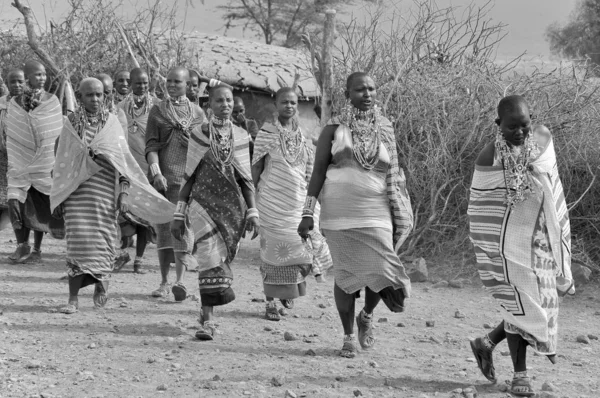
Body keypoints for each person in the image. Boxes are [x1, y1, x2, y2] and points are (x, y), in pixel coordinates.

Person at [297, 72, 413, 358]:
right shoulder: (333, 130)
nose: (368, 94)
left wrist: (401, 208)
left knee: (381, 272)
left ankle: (367, 316)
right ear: (347, 94)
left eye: (372, 89)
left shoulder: (385, 129)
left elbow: (394, 174)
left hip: (377, 213)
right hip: (339, 215)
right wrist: (308, 212)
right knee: (346, 275)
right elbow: (318, 172)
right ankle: (349, 335)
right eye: (360, 89)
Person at [467, 95, 574, 397]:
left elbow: (551, 187)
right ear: (498, 124)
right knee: (521, 305)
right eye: (512, 127)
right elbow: (480, 208)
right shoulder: (488, 158)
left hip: (538, 241)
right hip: (507, 247)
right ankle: (520, 375)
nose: (519, 133)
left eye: (524, 126)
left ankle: (485, 343)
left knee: (534, 304)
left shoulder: (540, 146)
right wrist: (491, 246)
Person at [50, 77, 174, 314]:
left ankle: (100, 287)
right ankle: (73, 299)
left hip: (104, 192)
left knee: (104, 241)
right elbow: (62, 161)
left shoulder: (113, 123)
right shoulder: (71, 123)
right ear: (80, 96)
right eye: (89, 95)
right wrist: (59, 196)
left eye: (99, 95)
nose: (95, 99)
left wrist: (124, 193)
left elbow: (123, 163)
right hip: (76, 194)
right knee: (76, 244)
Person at [171, 83, 259, 340]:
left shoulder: (242, 136)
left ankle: (204, 310)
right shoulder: (199, 134)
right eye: (220, 101)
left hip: (232, 211)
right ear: (209, 105)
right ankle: (208, 319)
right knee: (208, 259)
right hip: (201, 206)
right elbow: (189, 176)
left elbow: (245, 179)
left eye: (229, 100)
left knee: (220, 261)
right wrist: (179, 213)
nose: (226, 105)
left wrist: (253, 211)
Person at [252, 87, 332, 321]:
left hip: (298, 204)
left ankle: (289, 288)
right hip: (270, 203)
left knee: (303, 250)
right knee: (271, 255)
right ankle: (270, 303)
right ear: (275, 105)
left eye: (293, 103)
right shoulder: (266, 133)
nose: (289, 106)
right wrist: (251, 204)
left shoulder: (303, 136)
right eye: (284, 102)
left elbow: (310, 171)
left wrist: (312, 202)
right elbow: (256, 167)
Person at [145, 67, 205, 301]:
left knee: (184, 229)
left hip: (189, 182)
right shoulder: (158, 111)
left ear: (188, 84)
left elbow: (204, 148)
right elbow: (151, 146)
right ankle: (163, 282)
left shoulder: (198, 114)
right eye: (168, 81)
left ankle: (180, 281)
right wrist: (156, 173)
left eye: (176, 81)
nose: (171, 85)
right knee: (163, 230)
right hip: (164, 180)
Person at [4, 61, 65, 264]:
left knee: (40, 203)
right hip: (19, 161)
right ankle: (22, 245)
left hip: (46, 163)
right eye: (37, 75)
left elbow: (55, 131)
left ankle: (37, 249)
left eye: (43, 74)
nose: (42, 78)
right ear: (28, 77)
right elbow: (12, 133)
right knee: (15, 200)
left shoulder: (52, 101)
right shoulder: (15, 103)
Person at [114, 67, 161, 274]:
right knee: (124, 213)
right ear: (130, 84)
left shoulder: (158, 107)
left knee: (145, 218)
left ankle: (139, 259)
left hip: (150, 168)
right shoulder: (121, 107)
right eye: (137, 83)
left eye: (145, 82)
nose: (141, 86)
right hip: (128, 168)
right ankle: (122, 252)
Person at [0, 70, 25, 231]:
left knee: (16, 198)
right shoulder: (2, 104)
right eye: (12, 82)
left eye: (20, 81)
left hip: (23, 158)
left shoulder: (32, 103)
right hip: (2, 157)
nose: (16, 85)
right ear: (7, 85)